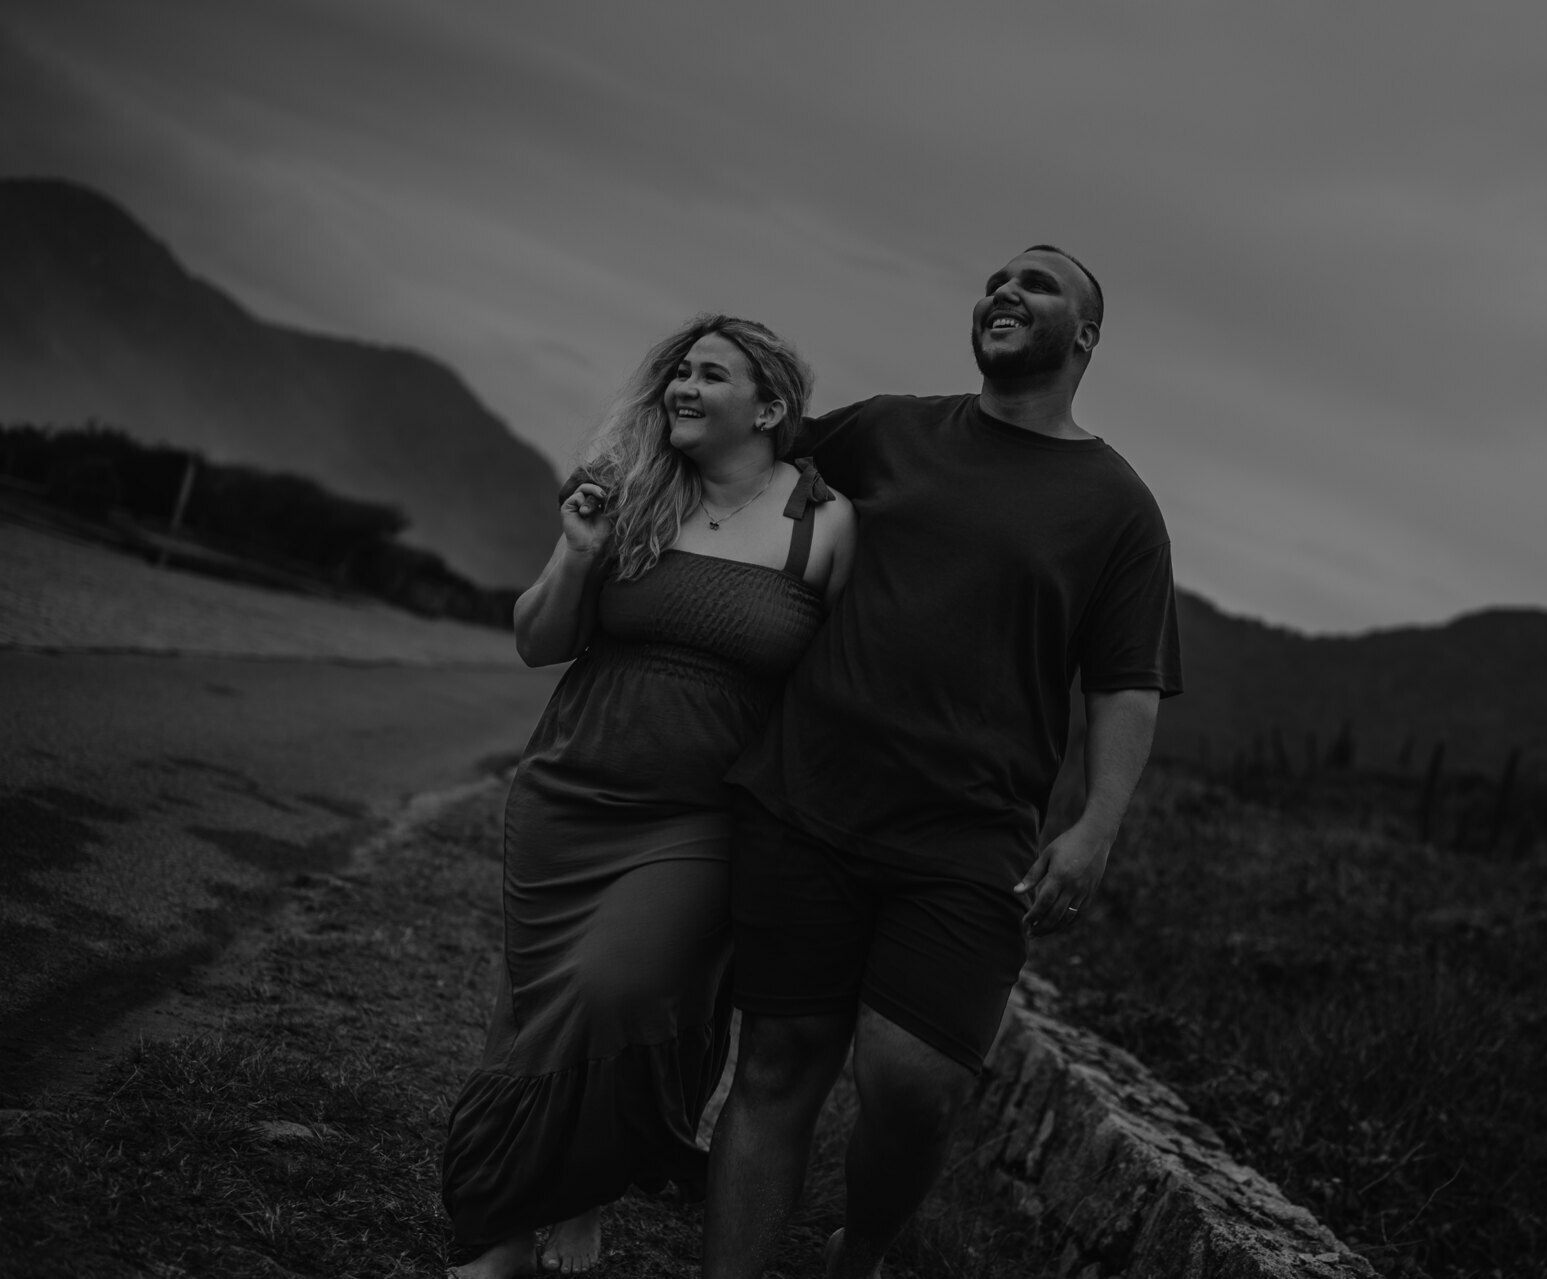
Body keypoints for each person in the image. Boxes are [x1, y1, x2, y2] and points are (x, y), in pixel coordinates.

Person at [704, 247, 1181, 1279]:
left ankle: (860, 1254)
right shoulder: (888, 430)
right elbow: (752, 458)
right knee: (776, 1067)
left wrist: (1097, 826)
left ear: (1085, 337)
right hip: (806, 798)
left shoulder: (1119, 507)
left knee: (915, 1087)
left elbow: (1125, 683)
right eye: (997, 278)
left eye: (1038, 283)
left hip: (968, 841)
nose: (1005, 289)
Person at [440, 314, 855, 1279]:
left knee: (615, 992)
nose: (682, 387)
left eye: (710, 375)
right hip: (569, 787)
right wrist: (581, 550)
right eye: (678, 372)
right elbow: (539, 640)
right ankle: (504, 1238)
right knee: (531, 1008)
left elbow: (841, 691)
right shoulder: (632, 494)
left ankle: (575, 1188)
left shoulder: (823, 525)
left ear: (770, 408)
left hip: (704, 817)